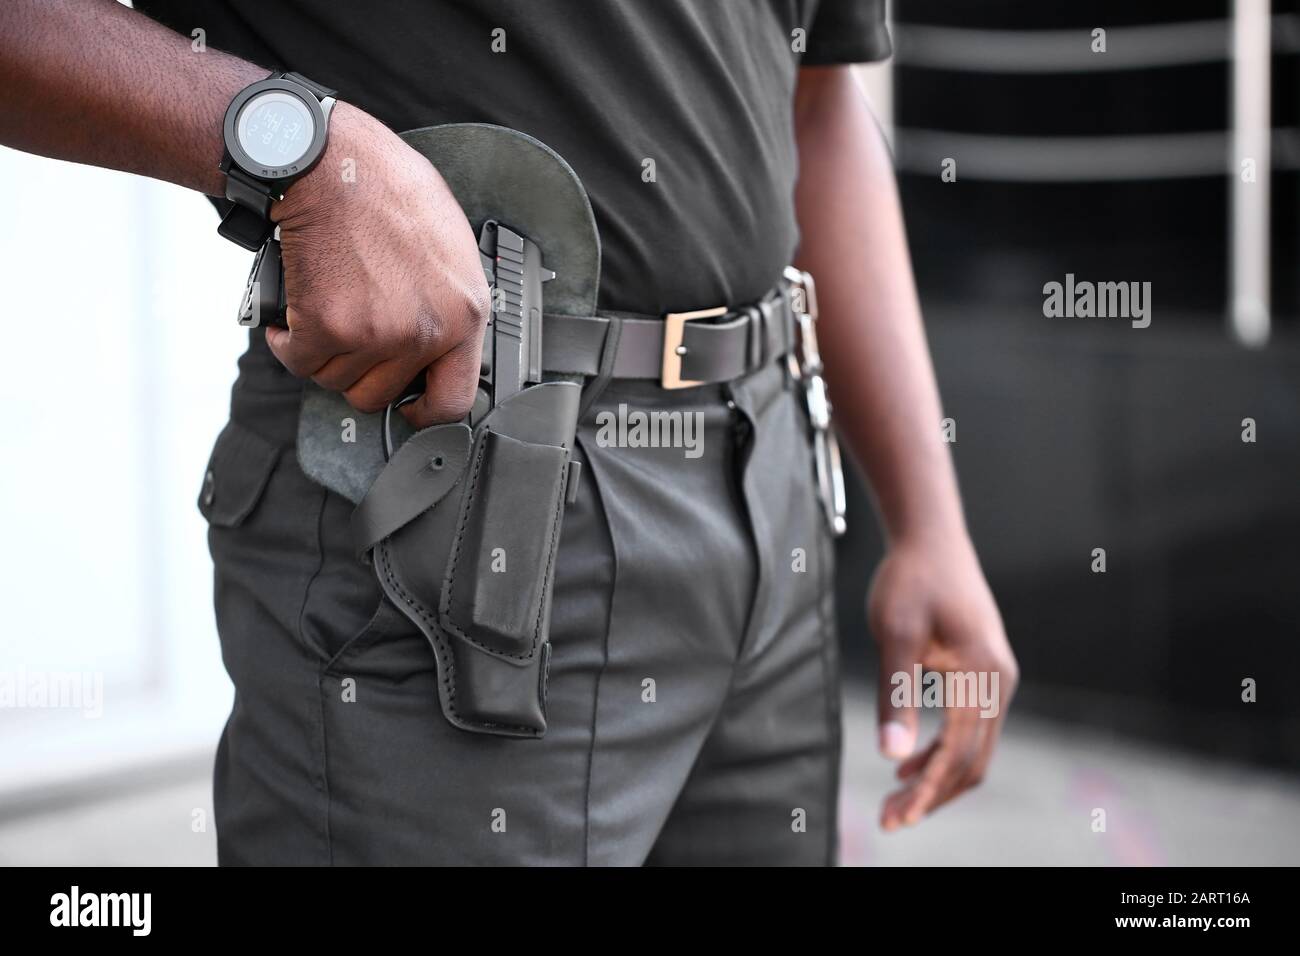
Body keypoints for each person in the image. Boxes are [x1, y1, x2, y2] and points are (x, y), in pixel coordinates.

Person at [0, 0, 1018, 865]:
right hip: (452, 502)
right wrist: (291, 143)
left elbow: (818, 100)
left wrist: (930, 523)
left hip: (769, 491)